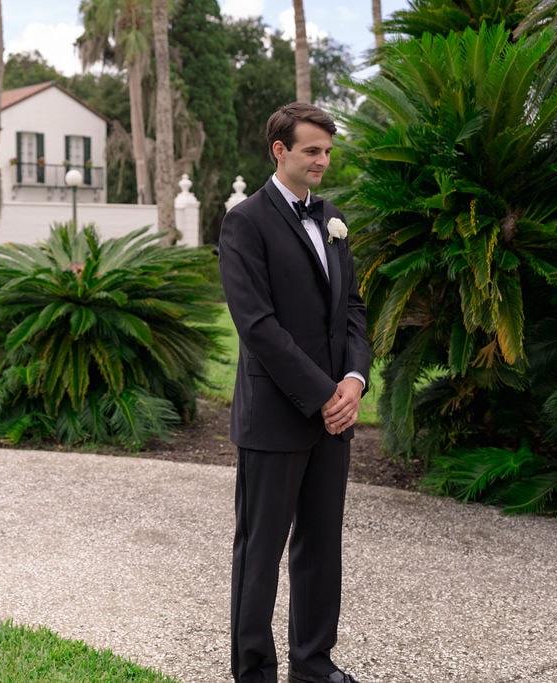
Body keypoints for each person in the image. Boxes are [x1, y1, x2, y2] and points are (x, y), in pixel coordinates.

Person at [217, 103, 371, 683]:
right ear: (279, 150)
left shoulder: (334, 219)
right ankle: (254, 671)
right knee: (260, 553)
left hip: (334, 417)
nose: (323, 161)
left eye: (328, 151)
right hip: (276, 415)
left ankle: (314, 664)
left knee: (320, 547)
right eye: (312, 150)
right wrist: (323, 393)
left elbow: (353, 310)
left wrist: (354, 382)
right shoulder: (245, 221)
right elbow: (257, 326)